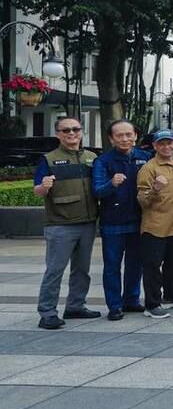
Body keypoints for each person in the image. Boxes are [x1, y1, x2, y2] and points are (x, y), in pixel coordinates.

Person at [33, 116, 101, 329]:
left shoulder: (91, 157)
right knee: (55, 270)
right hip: (60, 224)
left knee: (82, 270)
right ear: (58, 134)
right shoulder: (48, 159)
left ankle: (75, 306)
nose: (71, 133)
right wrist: (44, 186)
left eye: (75, 129)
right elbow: (38, 191)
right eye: (66, 130)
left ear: (81, 132)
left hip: (88, 222)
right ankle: (47, 313)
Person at [92, 119, 149, 320]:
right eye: (119, 135)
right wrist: (112, 183)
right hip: (113, 222)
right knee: (112, 266)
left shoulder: (145, 157)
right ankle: (114, 305)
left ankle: (131, 300)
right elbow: (97, 190)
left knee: (136, 263)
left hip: (140, 219)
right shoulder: (103, 161)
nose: (125, 139)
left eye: (128, 134)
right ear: (111, 139)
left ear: (135, 136)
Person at [136, 129, 173, 318]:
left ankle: (171, 296)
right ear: (155, 146)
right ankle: (152, 304)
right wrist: (155, 189)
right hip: (155, 226)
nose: (166, 147)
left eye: (169, 143)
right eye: (161, 144)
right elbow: (142, 200)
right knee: (152, 267)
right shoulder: (148, 168)